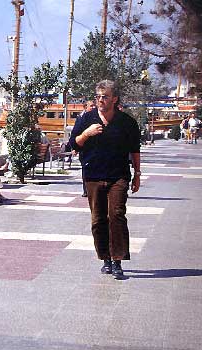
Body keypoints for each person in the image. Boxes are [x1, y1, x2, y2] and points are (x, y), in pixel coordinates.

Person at [69, 80, 141, 280]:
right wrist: (86, 133)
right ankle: (105, 259)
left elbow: (135, 149)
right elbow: (72, 144)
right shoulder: (86, 119)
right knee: (98, 220)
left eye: (105, 96)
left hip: (118, 175)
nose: (101, 100)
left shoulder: (127, 122)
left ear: (114, 99)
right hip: (93, 176)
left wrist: (137, 173)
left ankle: (117, 260)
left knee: (117, 215)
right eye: (98, 96)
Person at [78, 100, 96, 197]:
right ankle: (86, 190)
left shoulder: (96, 117)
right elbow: (76, 134)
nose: (93, 107)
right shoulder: (81, 118)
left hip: (94, 149)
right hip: (84, 149)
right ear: (85, 107)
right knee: (86, 169)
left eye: (94, 106)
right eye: (91, 106)